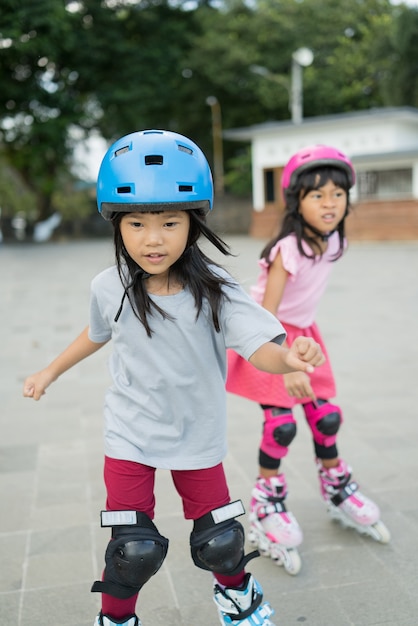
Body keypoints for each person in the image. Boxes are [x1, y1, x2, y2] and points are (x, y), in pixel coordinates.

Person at [23, 130, 325, 626]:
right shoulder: (109, 286)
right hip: (130, 436)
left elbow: (259, 349)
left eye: (169, 221)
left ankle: (236, 601)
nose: (153, 238)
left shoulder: (218, 291)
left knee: (221, 541)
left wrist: (291, 357)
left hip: (198, 437)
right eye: (136, 223)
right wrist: (49, 370)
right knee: (133, 550)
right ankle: (116, 618)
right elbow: (97, 333)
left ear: (194, 222)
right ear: (117, 224)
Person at [226, 144, 391, 577]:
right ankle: (267, 498)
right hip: (268, 336)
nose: (330, 203)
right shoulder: (288, 249)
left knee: (327, 418)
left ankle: (336, 486)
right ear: (296, 201)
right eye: (317, 195)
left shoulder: (335, 238)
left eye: (337, 194)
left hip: (304, 336)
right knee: (281, 424)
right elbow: (268, 314)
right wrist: (288, 364)